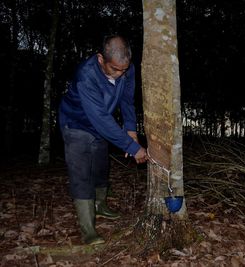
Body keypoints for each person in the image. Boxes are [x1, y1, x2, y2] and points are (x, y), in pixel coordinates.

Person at [59, 35, 147, 245]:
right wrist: (132, 147)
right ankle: (88, 229)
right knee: (82, 174)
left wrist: (131, 130)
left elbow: (127, 100)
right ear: (101, 59)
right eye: (115, 69)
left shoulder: (127, 68)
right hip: (76, 124)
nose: (120, 74)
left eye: (124, 70)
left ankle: (101, 206)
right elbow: (101, 120)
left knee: (100, 167)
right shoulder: (86, 76)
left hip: (101, 126)